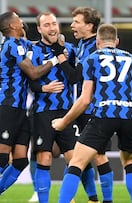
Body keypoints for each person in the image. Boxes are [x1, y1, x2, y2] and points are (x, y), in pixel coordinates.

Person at [52, 23, 132, 203]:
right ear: (117, 41)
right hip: (130, 115)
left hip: (105, 112)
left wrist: (63, 122)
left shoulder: (92, 58)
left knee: (77, 163)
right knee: (129, 160)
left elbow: (85, 99)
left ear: (97, 42)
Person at [0, 11, 57, 203]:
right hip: (5, 106)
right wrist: (55, 59)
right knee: (1, 157)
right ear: (12, 26)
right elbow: (33, 73)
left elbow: (32, 44)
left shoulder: (19, 44)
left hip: (20, 108)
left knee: (21, 159)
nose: (21, 21)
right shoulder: (11, 45)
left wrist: (53, 39)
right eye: (18, 19)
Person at [28, 11, 99, 203]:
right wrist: (44, 87)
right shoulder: (32, 50)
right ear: (39, 29)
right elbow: (28, 82)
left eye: (54, 24)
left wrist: (62, 57)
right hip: (42, 111)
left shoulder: (70, 49)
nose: (51, 28)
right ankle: (42, 198)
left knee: (76, 159)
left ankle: (90, 198)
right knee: (43, 157)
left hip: (67, 112)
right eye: (47, 25)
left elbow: (76, 76)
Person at [71, 7, 114, 202]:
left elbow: (75, 76)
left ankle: (106, 199)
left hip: (93, 109)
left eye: (77, 22)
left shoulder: (93, 48)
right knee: (82, 154)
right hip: (83, 108)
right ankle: (93, 198)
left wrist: (60, 55)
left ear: (89, 26)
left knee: (98, 156)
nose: (72, 25)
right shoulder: (81, 45)